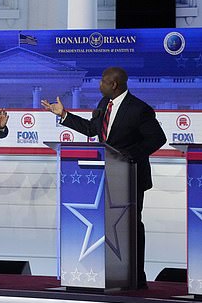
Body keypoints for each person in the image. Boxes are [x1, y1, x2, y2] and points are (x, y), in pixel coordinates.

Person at [41, 66, 166, 289]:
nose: (99, 85)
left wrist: (128, 156)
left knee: (131, 225)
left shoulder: (139, 109)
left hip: (131, 176)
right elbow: (91, 129)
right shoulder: (103, 105)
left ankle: (136, 277)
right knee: (105, 225)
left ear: (114, 84)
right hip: (105, 176)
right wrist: (63, 115)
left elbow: (157, 138)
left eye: (102, 81)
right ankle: (108, 272)